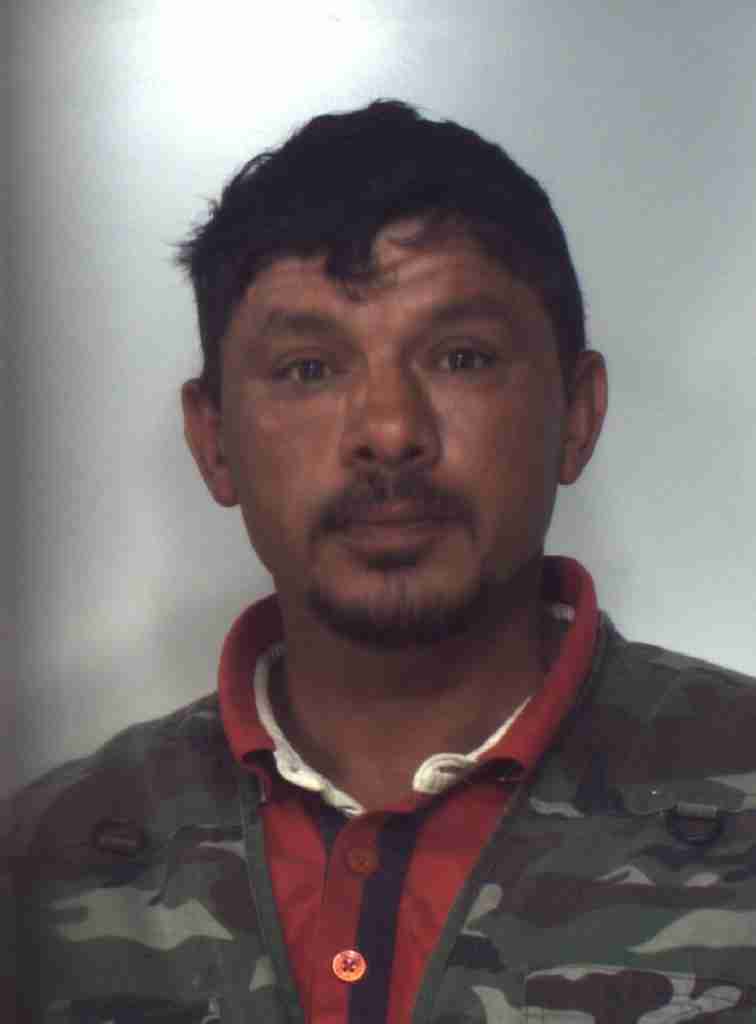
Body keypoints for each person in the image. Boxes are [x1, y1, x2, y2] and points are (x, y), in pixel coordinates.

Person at [6, 99, 756, 1024]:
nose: (391, 430)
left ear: (577, 413)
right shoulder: (37, 866)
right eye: (309, 369)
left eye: (461, 357)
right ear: (214, 442)